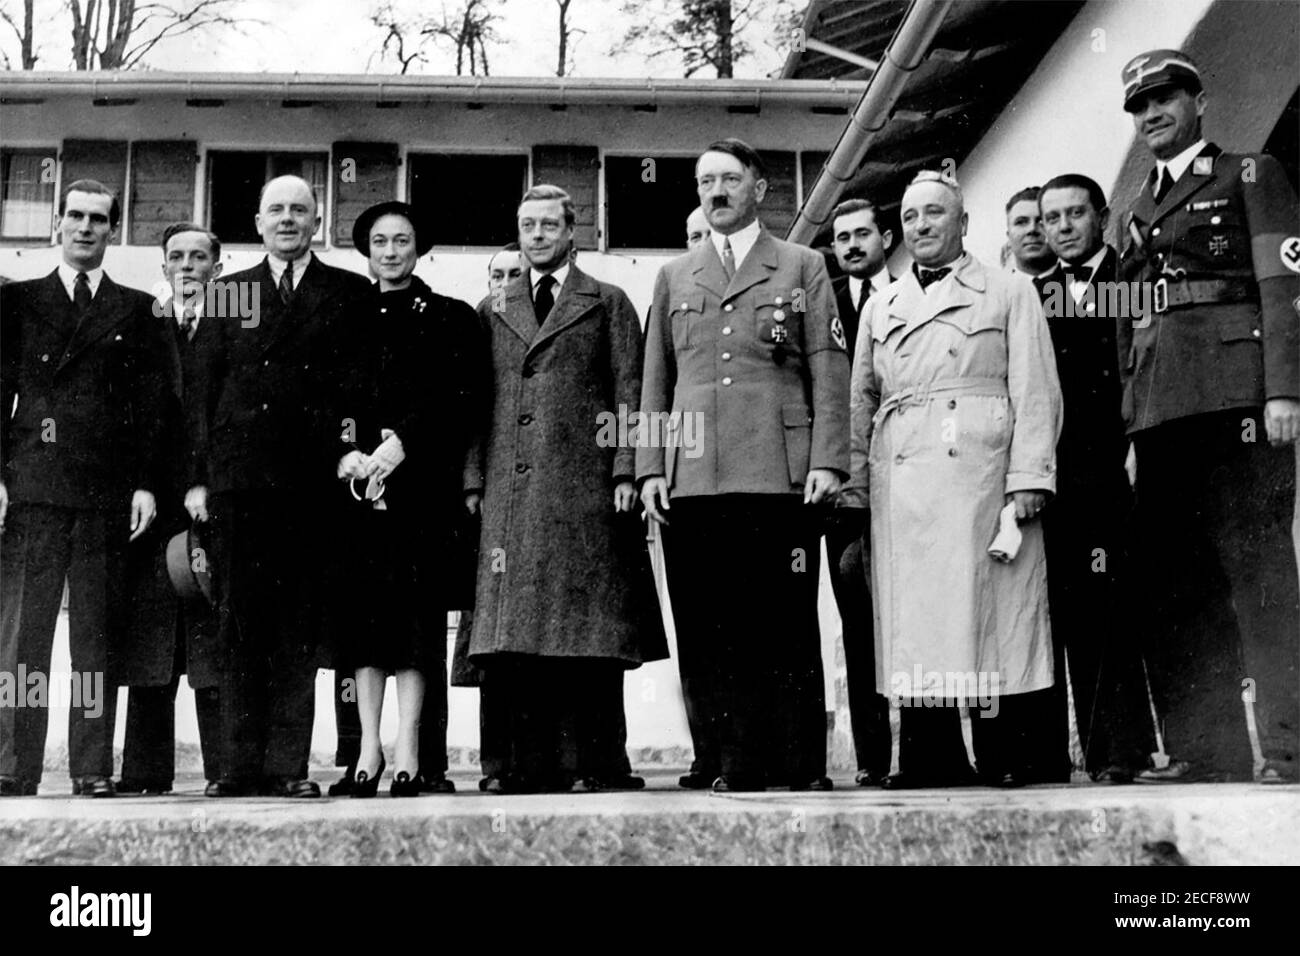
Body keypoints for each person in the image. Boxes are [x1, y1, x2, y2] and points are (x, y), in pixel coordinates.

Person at [639, 138, 849, 792]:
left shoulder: (802, 265)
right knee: (707, 628)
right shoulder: (676, 274)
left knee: (782, 622)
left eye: (730, 179)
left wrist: (828, 461)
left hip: (778, 475)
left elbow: (827, 367)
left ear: (759, 188)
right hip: (695, 477)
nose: (717, 191)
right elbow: (656, 380)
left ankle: (800, 764)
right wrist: (650, 467)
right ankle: (734, 762)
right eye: (706, 182)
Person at [1116, 50, 1300, 783]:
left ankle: (1289, 746)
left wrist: (1285, 391)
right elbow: (1127, 316)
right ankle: (1206, 749)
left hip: (1237, 405)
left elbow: (1283, 286)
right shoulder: (1133, 204)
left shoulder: (1250, 174)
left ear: (1199, 101)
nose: (1151, 113)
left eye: (1164, 98)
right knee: (1178, 586)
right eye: (1139, 106)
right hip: (1160, 413)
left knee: (1259, 577)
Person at [848, 170, 1063, 789]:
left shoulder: (1009, 291)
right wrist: (858, 488)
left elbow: (1035, 387)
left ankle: (1004, 754)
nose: (921, 226)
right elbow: (861, 398)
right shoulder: (881, 304)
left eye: (935, 214)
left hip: (981, 472)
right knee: (916, 618)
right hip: (904, 476)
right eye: (911, 217)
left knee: (989, 613)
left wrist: (1029, 477)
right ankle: (928, 756)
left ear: (963, 223)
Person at [466, 184, 666, 794]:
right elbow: (473, 402)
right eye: (528, 225)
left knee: (586, 633)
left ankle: (594, 763)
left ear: (572, 231)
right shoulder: (492, 305)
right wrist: (474, 479)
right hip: (510, 492)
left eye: (549, 225)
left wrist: (627, 469)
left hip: (586, 493)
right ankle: (514, 767)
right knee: (512, 637)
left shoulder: (608, 302)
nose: (537, 235)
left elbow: (632, 391)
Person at [186, 175, 370, 798]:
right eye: (276, 211)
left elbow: (357, 389)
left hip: (310, 485)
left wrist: (347, 447)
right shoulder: (228, 293)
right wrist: (196, 480)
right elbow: (200, 393)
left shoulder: (346, 291)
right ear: (258, 223)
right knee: (239, 623)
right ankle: (237, 767)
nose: (288, 219)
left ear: (316, 221)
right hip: (239, 484)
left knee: (297, 627)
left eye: (300, 210)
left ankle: (287, 766)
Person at [0, 180, 173, 798]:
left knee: (94, 641)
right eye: (74, 216)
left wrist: (147, 484)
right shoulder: (18, 303)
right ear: (57, 224)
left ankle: (91, 767)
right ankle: (14, 766)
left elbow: (155, 410)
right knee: (24, 638)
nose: (84, 228)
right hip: (35, 492)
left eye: (98, 219)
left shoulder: (136, 309)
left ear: (112, 230)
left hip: (105, 496)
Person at [326, 201, 484, 797]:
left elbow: (461, 396)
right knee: (363, 623)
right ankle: (367, 746)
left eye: (402, 241)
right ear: (366, 248)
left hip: (421, 493)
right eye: (380, 242)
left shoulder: (449, 316)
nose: (391, 252)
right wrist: (348, 452)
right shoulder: (343, 314)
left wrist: (404, 446)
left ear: (420, 248)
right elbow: (325, 396)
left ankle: (411, 748)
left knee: (416, 624)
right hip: (355, 491)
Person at [1032, 176, 1156, 783]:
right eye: (1051, 217)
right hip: (1066, 476)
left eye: (1075, 214)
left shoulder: (1128, 280)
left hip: (1128, 459)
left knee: (1138, 607)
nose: (1062, 227)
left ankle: (1138, 748)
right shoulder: (1035, 295)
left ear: (1100, 217)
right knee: (1081, 611)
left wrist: (1135, 443)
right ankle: (1105, 753)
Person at [118, 223, 225, 796]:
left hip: (210, 504)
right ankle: (144, 771)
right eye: (177, 257)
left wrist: (204, 481)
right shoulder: (145, 326)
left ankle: (222, 770)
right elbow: (131, 413)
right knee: (151, 639)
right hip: (152, 507)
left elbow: (230, 411)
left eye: (199, 257)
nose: (188, 266)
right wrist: (142, 483)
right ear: (163, 266)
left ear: (217, 265)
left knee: (209, 634)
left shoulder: (234, 324)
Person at [826, 197, 894, 787]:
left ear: (885, 237)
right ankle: (874, 757)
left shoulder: (911, 295)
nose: (850, 245)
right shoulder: (820, 303)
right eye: (841, 237)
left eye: (862, 234)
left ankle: (934, 750)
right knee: (858, 617)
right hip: (843, 486)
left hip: (910, 480)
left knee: (920, 614)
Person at [1005, 187, 1056, 277]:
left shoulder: (1083, 285)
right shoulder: (993, 288)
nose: (1032, 229)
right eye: (1021, 222)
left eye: (1041, 221)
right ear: (1009, 236)